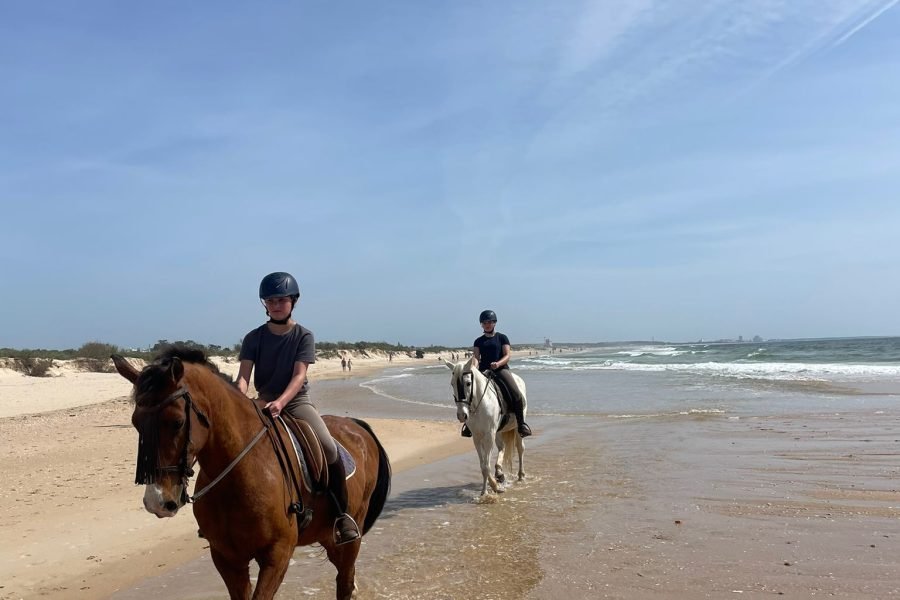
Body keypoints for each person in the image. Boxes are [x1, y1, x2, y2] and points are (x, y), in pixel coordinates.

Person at [237, 272, 360, 545]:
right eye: (270, 300)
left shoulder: (303, 335)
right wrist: (239, 401)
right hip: (262, 400)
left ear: (293, 301)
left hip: (296, 402)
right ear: (264, 304)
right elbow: (244, 377)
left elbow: (298, 376)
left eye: (281, 300)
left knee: (328, 447)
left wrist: (280, 403)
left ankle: (341, 515)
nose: (276, 305)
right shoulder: (253, 337)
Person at [461, 309, 533, 438]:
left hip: (501, 369)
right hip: (484, 370)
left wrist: (498, 364)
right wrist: (474, 368)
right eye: (484, 322)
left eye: (490, 322)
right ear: (481, 324)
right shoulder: (478, 341)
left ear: (494, 323)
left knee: (516, 394)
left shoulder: (502, 337)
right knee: (469, 394)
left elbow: (507, 355)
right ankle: (468, 424)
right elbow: (476, 357)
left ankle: (521, 424)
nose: (487, 324)